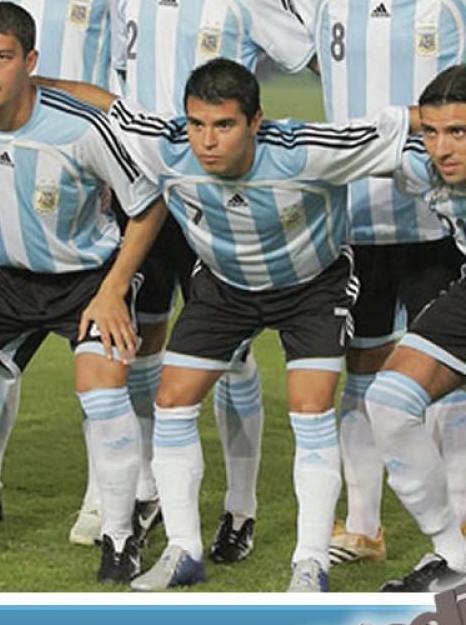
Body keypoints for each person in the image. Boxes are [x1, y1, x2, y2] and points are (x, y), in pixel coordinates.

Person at [47, 58, 410, 591]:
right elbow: (107, 104)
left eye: (224, 125)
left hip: (312, 287)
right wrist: (29, 82)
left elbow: (403, 123)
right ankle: (184, 551)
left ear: (256, 122)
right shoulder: (166, 146)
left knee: (310, 407)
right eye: (197, 124)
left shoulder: (310, 151)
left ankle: (310, 563)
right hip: (225, 288)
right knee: (173, 400)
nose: (207, 141)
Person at [0, 2, 164, 584]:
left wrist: (114, 289)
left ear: (30, 61)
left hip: (86, 281)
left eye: (2, 57)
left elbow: (147, 206)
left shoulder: (82, 128)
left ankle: (122, 535)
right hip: (1, 279)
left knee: (102, 391)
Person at [108, 0, 315, 563]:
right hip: (141, 191)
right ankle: (146, 490)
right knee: (137, 343)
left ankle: (240, 507)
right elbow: (116, 78)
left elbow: (300, 53)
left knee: (229, 356)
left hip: (217, 197)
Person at [293, 0, 466, 566]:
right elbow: (294, 52)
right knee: (360, 367)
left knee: (445, 378)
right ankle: (363, 526)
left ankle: (458, 529)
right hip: (354, 217)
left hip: (436, 217)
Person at [0, 0, 130, 544]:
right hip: (5, 178)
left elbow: (122, 76)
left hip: (85, 178)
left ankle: (104, 498)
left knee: (102, 352)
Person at [366, 64, 466, 591]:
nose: (442, 149)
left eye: (458, 132)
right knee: (389, 402)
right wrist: (398, 118)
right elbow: (358, 141)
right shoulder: (423, 167)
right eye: (431, 132)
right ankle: (454, 556)